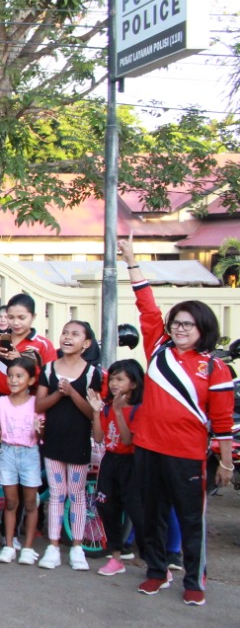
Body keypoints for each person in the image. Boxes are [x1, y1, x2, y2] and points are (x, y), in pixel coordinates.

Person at [119, 239, 232, 605]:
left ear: (203, 328)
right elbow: (147, 307)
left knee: (189, 519)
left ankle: (194, 579)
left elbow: (222, 420)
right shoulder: (158, 349)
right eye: (177, 323)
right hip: (148, 448)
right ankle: (156, 571)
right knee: (149, 516)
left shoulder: (215, 367)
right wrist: (132, 260)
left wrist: (226, 461)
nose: (181, 329)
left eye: (189, 324)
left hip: (187, 455)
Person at [35, 320, 103, 571]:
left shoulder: (93, 374)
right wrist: (58, 394)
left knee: (76, 495)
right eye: (65, 332)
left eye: (75, 334)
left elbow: (91, 412)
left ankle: (77, 547)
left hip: (78, 444)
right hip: (52, 442)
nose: (67, 337)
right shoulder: (50, 369)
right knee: (55, 494)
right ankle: (53, 546)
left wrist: (73, 393)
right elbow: (39, 405)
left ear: (85, 344)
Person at [88, 360, 144, 577]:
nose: (113, 383)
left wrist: (119, 413)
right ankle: (116, 557)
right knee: (107, 508)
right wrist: (96, 412)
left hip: (131, 464)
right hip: (110, 461)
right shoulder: (108, 407)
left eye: (120, 379)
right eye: (111, 378)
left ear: (134, 384)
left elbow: (129, 440)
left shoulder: (139, 409)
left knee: (137, 512)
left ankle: (157, 564)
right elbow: (100, 438)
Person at [0, 359, 43, 565]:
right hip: (8, 453)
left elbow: (42, 433)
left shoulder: (37, 403)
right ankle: (9, 545)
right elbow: (0, 433)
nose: (13, 380)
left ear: (31, 380)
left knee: (30, 502)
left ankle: (27, 547)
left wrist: (40, 429)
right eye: (10, 375)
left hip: (30, 453)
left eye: (19, 376)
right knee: (10, 502)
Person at [0, 293, 56, 406]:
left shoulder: (44, 345)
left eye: (21, 318)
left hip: (29, 405)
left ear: (33, 317)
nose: (15, 323)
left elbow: (50, 381)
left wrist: (21, 362)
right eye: (10, 317)